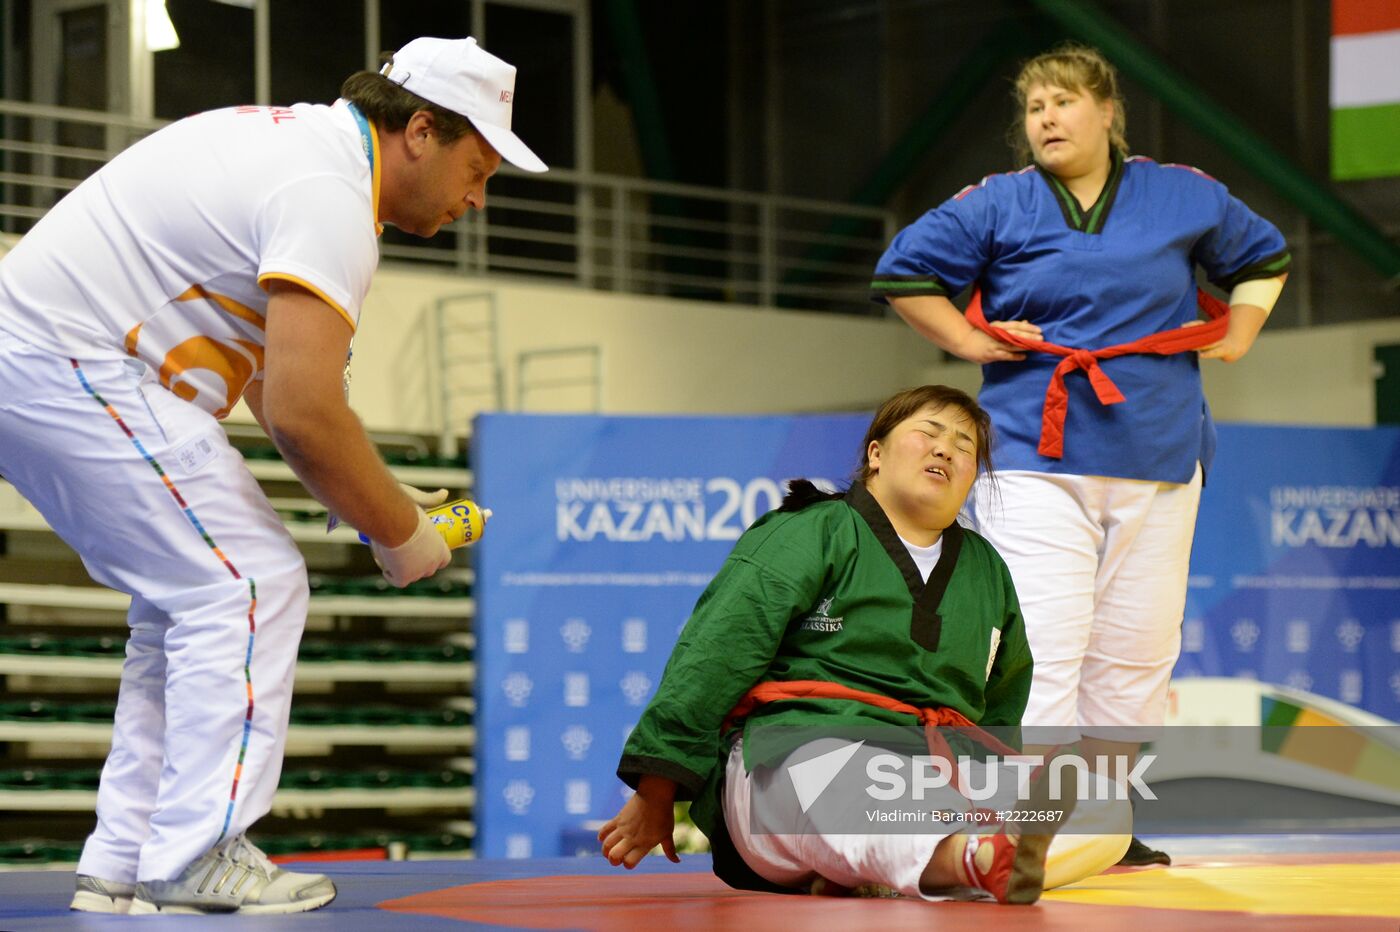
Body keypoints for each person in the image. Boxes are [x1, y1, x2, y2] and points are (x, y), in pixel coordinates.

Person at [0, 37, 546, 914]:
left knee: (189, 602)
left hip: (46, 361)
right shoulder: (327, 194)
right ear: (417, 132)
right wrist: (405, 541)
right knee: (249, 584)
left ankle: (128, 857)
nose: (477, 200)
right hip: (69, 362)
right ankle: (197, 852)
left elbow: (264, 378)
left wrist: (379, 502)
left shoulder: (304, 154)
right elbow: (302, 411)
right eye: (476, 169)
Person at [870, 44, 1289, 866]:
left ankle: (1105, 829)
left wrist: (1239, 333)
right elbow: (904, 271)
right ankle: (1025, 831)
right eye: (1034, 109)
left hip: (1160, 449)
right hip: (1036, 452)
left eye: (1063, 102)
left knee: (1135, 655)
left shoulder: (1181, 192)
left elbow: (1263, 255)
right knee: (1045, 646)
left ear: (1108, 112)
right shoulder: (1000, 202)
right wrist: (969, 340)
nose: (1047, 119)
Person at [599, 385, 1129, 905]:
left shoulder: (986, 570)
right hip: (796, 754)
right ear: (875, 454)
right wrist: (658, 787)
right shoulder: (814, 530)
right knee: (845, 777)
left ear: (971, 477)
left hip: (931, 772)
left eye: (965, 447)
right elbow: (716, 652)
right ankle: (970, 862)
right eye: (928, 433)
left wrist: (997, 781)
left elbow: (1000, 703)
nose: (946, 448)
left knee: (1105, 808)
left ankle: (938, 860)